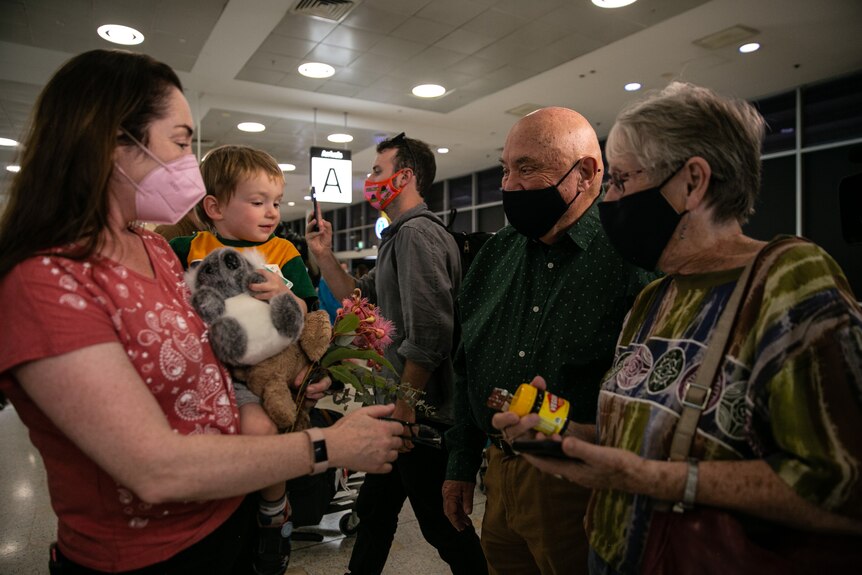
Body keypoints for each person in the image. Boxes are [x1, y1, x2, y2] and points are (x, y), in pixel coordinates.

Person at [0, 49, 403, 575]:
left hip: (228, 517)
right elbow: (152, 468)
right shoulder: (47, 283)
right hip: (148, 558)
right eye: (183, 142)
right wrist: (329, 445)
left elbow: (211, 354)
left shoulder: (152, 252)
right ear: (111, 143)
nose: (191, 164)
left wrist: (293, 372)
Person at [493, 83, 862, 574]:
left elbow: (842, 488)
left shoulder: (789, 280)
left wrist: (652, 479)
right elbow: (643, 436)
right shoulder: (655, 296)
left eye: (621, 180)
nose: (609, 200)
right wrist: (562, 434)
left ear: (692, 182)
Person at [442, 107, 658, 574]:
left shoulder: (631, 255)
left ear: (585, 173)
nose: (510, 185)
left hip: (583, 483)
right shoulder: (495, 255)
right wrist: (461, 463)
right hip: (498, 473)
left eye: (527, 168)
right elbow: (467, 364)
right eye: (505, 168)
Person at [306, 133, 488, 575]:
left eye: (376, 170)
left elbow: (430, 332)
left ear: (404, 176)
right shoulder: (396, 238)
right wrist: (323, 254)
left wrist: (406, 408)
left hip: (419, 414)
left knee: (442, 526)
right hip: (399, 409)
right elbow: (357, 301)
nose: (369, 180)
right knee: (376, 513)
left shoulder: (417, 236)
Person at [169, 144, 318, 574]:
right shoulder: (187, 246)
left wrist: (286, 294)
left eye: (276, 202)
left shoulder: (283, 254)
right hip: (199, 370)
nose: (271, 212)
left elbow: (309, 312)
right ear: (213, 207)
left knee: (261, 428)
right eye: (257, 202)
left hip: (255, 372)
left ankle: (274, 509)